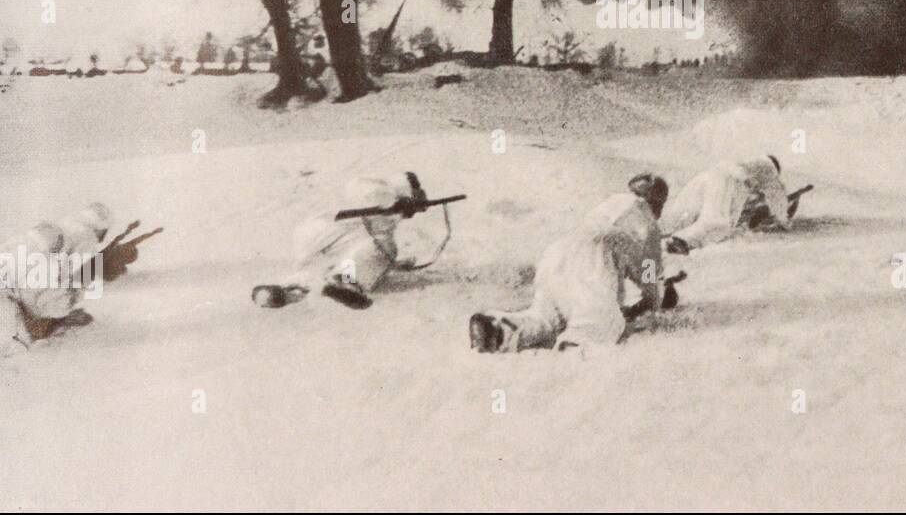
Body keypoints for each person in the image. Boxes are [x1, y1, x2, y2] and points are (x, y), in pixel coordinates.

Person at [469, 174, 673, 353]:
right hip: (593, 258)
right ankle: (573, 355)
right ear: (656, 201)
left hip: (557, 255)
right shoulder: (648, 223)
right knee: (599, 323)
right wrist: (656, 300)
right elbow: (649, 276)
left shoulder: (609, 205)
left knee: (548, 316)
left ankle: (499, 329)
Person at [252, 172, 432, 311]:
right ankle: (401, 196)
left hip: (337, 242)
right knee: (372, 249)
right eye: (280, 301)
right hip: (346, 248)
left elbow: (356, 294)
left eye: (280, 296)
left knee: (373, 244)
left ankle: (402, 194)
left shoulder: (304, 276)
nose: (288, 297)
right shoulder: (310, 283)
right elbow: (359, 299)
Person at [0, 204, 113, 356]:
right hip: (31, 282)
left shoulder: (63, 223)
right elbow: (78, 280)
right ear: (102, 229)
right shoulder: (88, 238)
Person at [660, 155, 792, 250]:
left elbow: (728, 165)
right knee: (718, 221)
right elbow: (777, 197)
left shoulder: (749, 159)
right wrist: (783, 221)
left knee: (687, 211)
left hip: (705, 178)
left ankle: (661, 230)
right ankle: (682, 240)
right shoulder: (769, 169)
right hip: (726, 182)